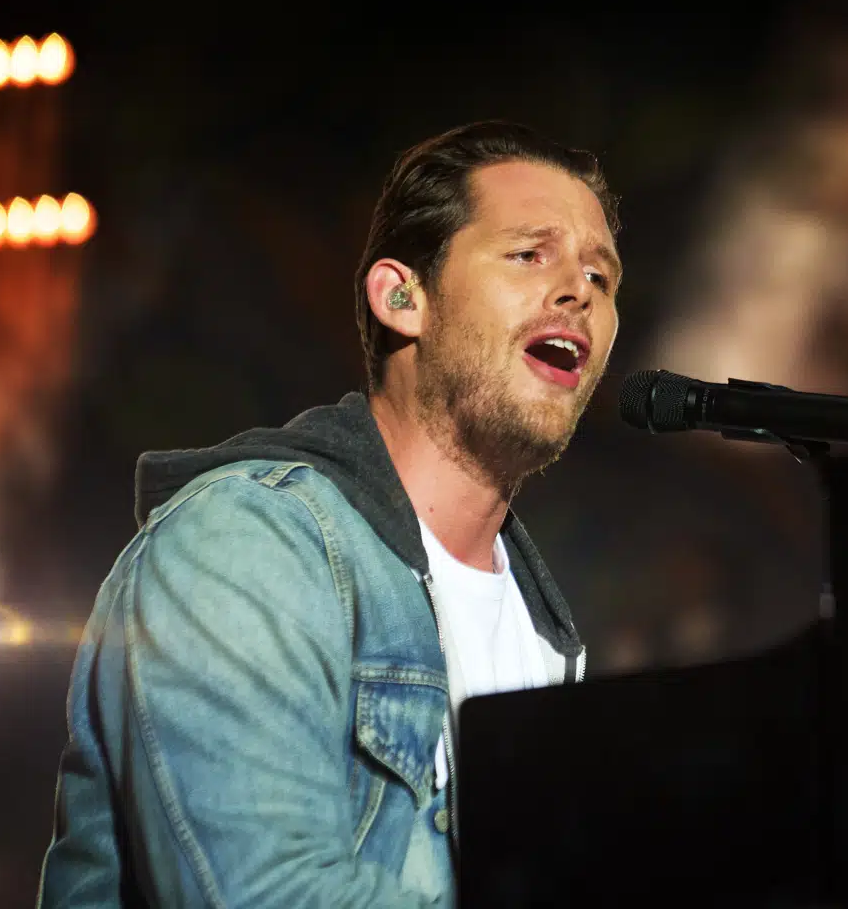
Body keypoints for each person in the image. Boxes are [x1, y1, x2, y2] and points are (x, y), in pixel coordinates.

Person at [36, 121, 622, 907]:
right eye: (529, 254)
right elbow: (264, 894)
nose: (578, 291)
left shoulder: (546, 628)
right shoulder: (245, 544)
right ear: (402, 297)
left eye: (602, 277)